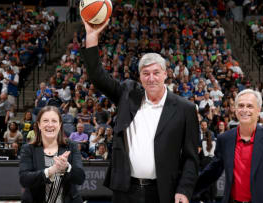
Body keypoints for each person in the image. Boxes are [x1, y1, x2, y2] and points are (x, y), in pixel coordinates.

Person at [80, 19, 199, 203]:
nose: (151, 78)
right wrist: (92, 36)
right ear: (140, 77)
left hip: (163, 192)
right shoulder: (128, 94)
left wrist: (184, 190)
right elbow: (97, 77)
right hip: (126, 191)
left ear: (165, 74)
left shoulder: (185, 109)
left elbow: (191, 158)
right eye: (146, 73)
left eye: (156, 72)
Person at [196, 89, 263, 203]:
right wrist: (186, 191)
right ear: (236, 110)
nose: (244, 110)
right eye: (241, 105)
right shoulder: (225, 139)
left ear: (258, 111)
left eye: (250, 106)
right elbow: (212, 172)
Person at [19, 106, 85, 203]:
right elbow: (24, 179)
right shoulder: (28, 148)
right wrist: (50, 171)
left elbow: (80, 178)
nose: (50, 125)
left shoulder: (72, 146)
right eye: (45, 121)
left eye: (54, 121)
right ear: (39, 124)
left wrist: (67, 167)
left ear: (60, 124)